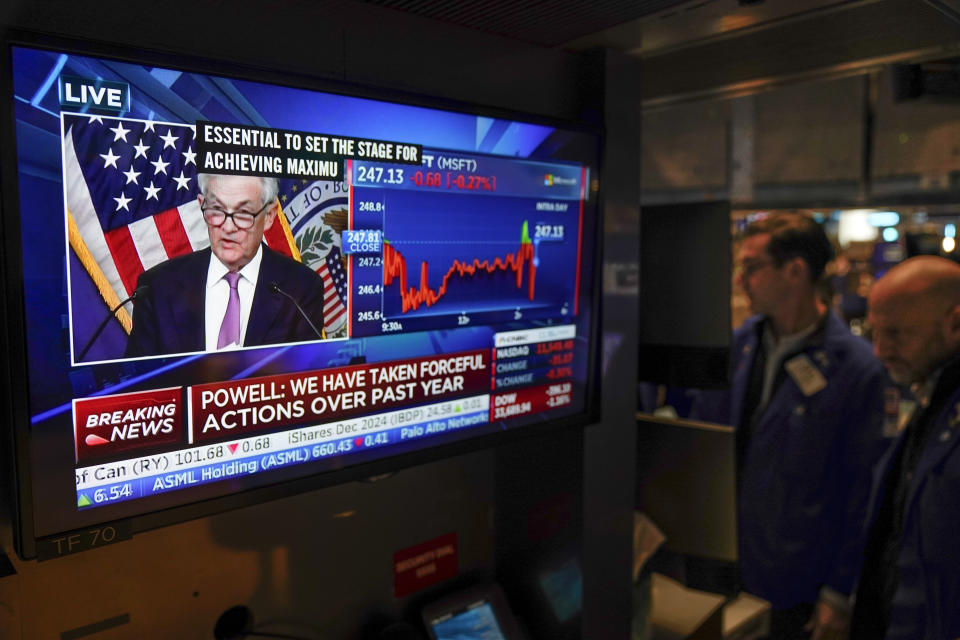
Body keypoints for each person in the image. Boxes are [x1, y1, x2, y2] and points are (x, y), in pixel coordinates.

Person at [693, 212, 887, 639]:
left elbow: (860, 493)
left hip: (794, 584)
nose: (741, 279)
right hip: (723, 567)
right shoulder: (737, 347)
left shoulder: (857, 369)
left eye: (752, 267)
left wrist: (838, 594)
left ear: (795, 271)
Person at [850, 256, 960, 639]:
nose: (880, 351)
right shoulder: (931, 396)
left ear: (956, 324)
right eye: (875, 333)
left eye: (896, 334)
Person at [125, 173, 325, 357]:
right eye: (217, 210)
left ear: (269, 216)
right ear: (202, 205)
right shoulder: (157, 287)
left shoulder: (300, 288)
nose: (228, 228)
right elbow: (136, 385)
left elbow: (303, 380)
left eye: (244, 213)